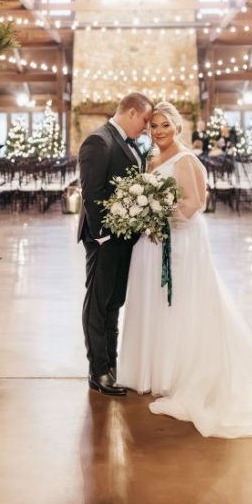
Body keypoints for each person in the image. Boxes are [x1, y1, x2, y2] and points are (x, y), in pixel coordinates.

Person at [117, 101, 252, 437]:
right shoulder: (151, 160)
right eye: (153, 126)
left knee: (180, 303)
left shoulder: (186, 160)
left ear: (177, 127)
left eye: (164, 125)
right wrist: (144, 216)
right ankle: (153, 372)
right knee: (154, 302)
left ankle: (177, 373)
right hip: (151, 242)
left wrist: (160, 215)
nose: (158, 131)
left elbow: (195, 202)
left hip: (179, 242)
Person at [78, 92, 154, 397]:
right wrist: (102, 237)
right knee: (98, 303)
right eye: (146, 120)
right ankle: (98, 371)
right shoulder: (99, 141)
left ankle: (110, 364)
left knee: (113, 302)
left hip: (124, 238)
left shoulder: (126, 142)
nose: (147, 128)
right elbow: (91, 194)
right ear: (133, 113)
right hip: (104, 239)